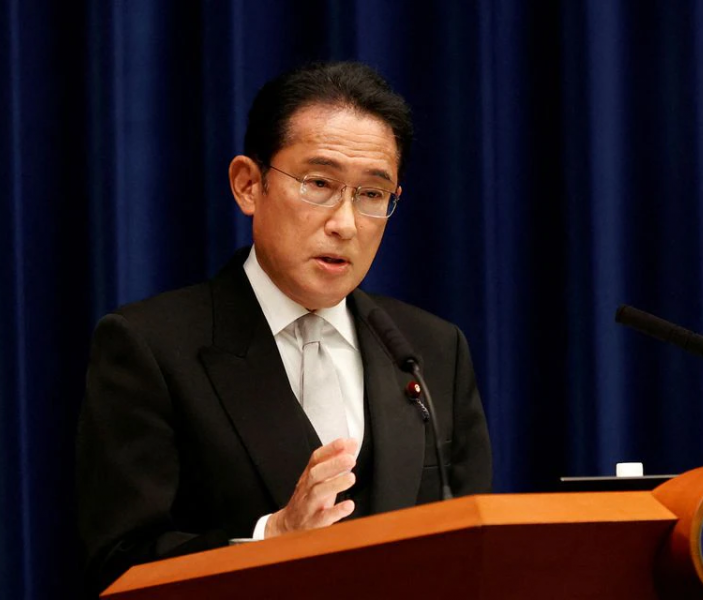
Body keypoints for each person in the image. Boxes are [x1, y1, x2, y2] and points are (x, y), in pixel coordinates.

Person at [76, 61, 492, 594]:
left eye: (371, 194)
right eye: (319, 183)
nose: (344, 223)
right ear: (249, 185)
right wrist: (273, 534)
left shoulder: (431, 349)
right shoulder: (150, 346)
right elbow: (116, 567)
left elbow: (472, 548)